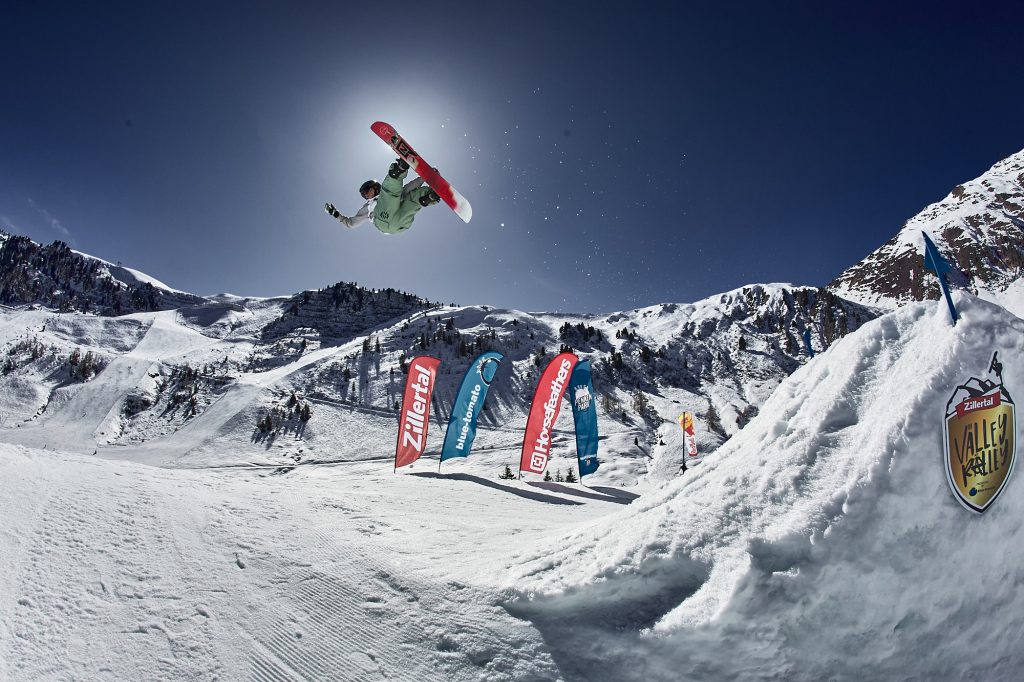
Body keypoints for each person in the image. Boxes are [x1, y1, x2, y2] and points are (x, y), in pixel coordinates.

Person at [325, 158, 441, 235]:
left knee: (413, 198)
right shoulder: (368, 207)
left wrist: (426, 177)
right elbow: (351, 223)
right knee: (390, 191)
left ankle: (428, 196)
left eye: (367, 191)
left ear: (375, 188)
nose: (366, 195)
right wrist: (336, 214)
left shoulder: (390, 195)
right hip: (382, 220)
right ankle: (397, 172)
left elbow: (409, 187)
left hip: (400, 225)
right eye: (364, 195)